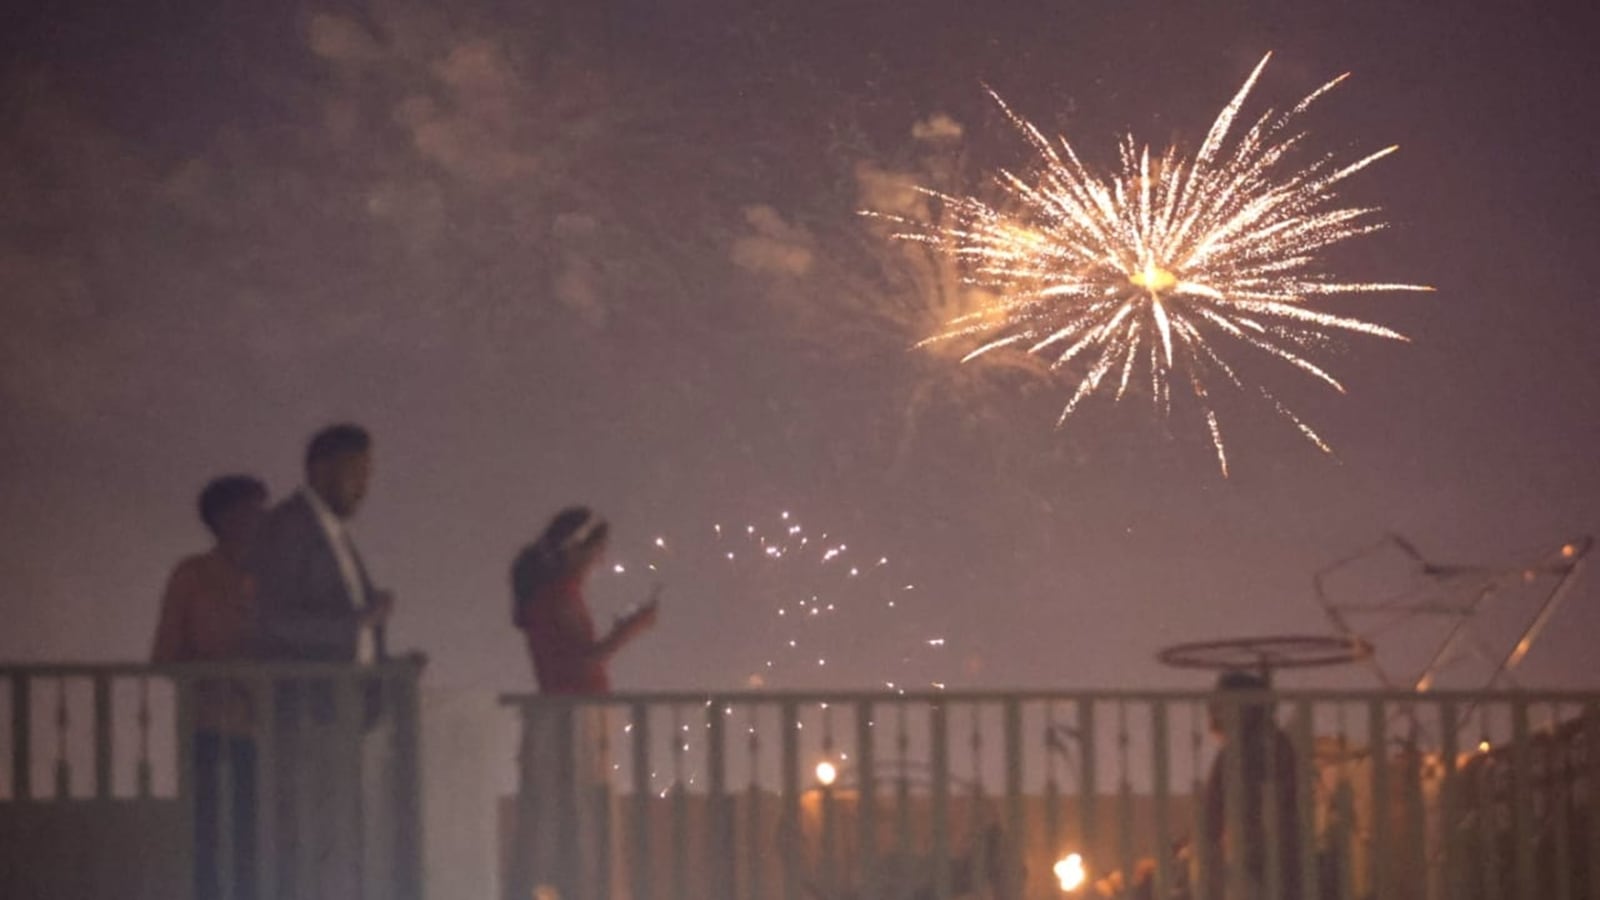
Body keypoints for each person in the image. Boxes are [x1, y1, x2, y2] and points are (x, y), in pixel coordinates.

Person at [248, 423, 394, 900]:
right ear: (319, 470)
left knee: (334, 836)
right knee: (312, 837)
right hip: (309, 708)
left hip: (338, 708)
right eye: (355, 472)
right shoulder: (289, 526)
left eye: (368, 473)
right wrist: (356, 624)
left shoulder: (329, 531)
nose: (364, 486)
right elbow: (271, 621)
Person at [508, 506, 659, 900]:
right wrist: (633, 628)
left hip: (561, 716)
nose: (600, 561)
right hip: (572, 720)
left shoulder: (544, 595)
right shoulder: (561, 594)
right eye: (597, 551)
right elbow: (584, 660)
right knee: (580, 817)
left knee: (560, 817)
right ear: (576, 550)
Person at [152, 474, 269, 900]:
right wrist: (220, 678)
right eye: (247, 509)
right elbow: (165, 657)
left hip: (269, 732)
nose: (258, 519)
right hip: (210, 727)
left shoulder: (272, 577)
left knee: (258, 837)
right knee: (209, 833)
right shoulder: (193, 575)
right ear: (220, 518)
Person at [1199, 670, 1302, 900]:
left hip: (1251, 866)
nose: (1213, 714)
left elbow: (1210, 819)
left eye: (1218, 706)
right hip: (1281, 864)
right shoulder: (1280, 745)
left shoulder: (1235, 752)